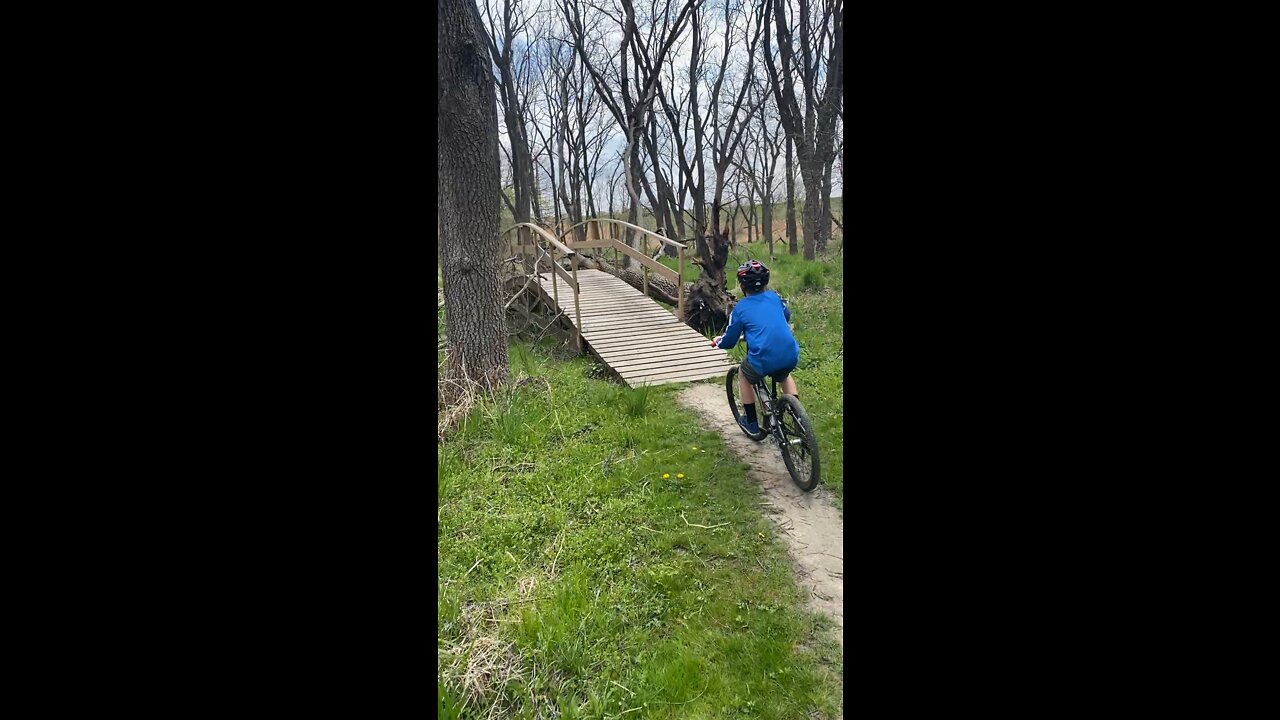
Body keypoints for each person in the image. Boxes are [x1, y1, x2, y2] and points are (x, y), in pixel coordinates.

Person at [711, 260, 800, 433]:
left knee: (744, 374)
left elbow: (729, 340)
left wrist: (718, 341)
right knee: (784, 375)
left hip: (763, 357)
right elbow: (786, 316)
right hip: (789, 353)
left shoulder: (740, 308)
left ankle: (751, 423)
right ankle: (798, 419)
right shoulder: (775, 298)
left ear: (743, 286)